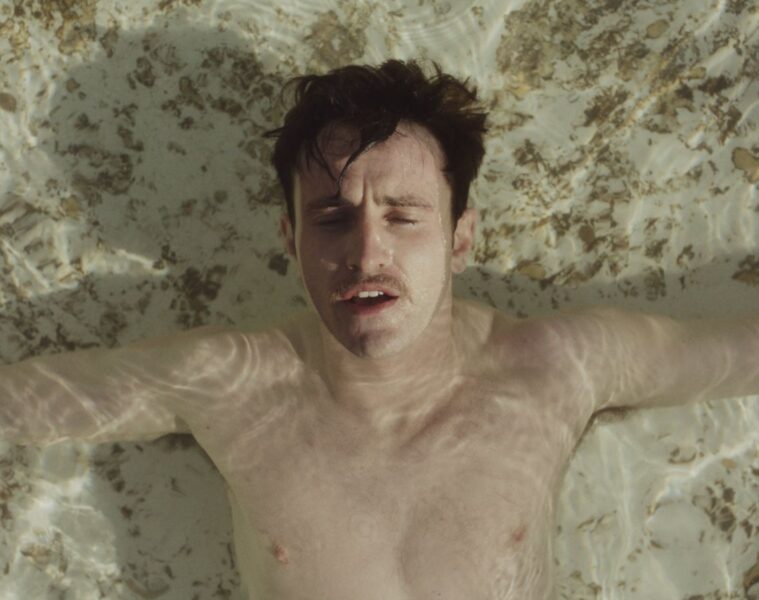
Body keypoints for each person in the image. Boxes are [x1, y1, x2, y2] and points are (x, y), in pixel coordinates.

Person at [1, 59, 757, 600]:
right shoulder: (226, 384)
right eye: (333, 219)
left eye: (403, 217)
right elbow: (20, 405)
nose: (366, 255)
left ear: (460, 237)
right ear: (290, 238)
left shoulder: (559, 367)